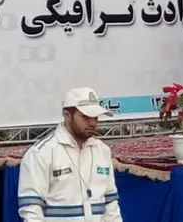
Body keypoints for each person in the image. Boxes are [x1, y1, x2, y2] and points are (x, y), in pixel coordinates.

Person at [18, 87, 122, 221]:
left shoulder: (103, 151)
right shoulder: (41, 153)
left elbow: (111, 205)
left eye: (95, 117)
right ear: (67, 115)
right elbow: (31, 210)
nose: (92, 123)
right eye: (85, 117)